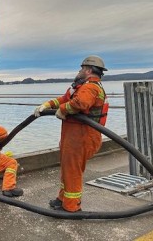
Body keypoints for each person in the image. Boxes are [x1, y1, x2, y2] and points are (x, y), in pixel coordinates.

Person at [34, 55, 108, 212]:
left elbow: (80, 103)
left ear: (88, 70)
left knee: (73, 171)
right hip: (74, 135)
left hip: (83, 136)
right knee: (68, 169)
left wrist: (63, 109)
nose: (79, 71)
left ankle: (71, 206)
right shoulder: (81, 86)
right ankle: (63, 199)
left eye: (82, 68)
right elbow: (65, 98)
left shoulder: (91, 88)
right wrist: (48, 105)